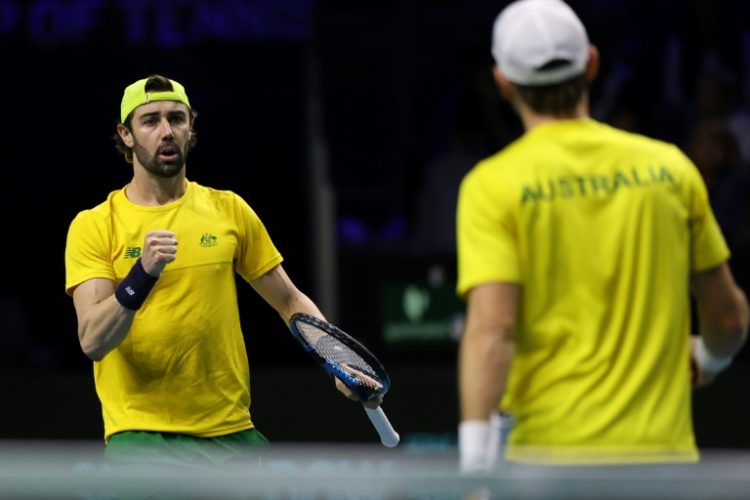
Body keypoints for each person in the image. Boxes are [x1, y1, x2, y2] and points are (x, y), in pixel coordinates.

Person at [455, 0, 749, 472]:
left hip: (547, 471)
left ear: (503, 82)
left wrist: (474, 467)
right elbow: (729, 320)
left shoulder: (492, 186)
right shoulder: (670, 168)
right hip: (663, 472)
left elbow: (493, 332)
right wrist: (709, 359)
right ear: (591, 63)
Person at [64, 74, 379, 467]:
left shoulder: (229, 210)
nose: (166, 131)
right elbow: (93, 339)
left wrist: (337, 360)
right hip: (143, 438)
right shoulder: (95, 225)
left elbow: (289, 300)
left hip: (233, 435)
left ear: (191, 126)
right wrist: (141, 274)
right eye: (150, 121)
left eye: (177, 119)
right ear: (125, 135)